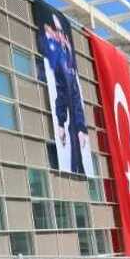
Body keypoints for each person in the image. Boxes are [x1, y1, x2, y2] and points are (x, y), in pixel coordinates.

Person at [41, 14, 89, 173]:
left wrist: (81, 126)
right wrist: (61, 122)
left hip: (72, 118)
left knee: (76, 156)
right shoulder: (53, 52)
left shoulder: (67, 56)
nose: (60, 35)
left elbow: (73, 93)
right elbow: (62, 91)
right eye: (57, 31)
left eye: (62, 32)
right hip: (58, 111)